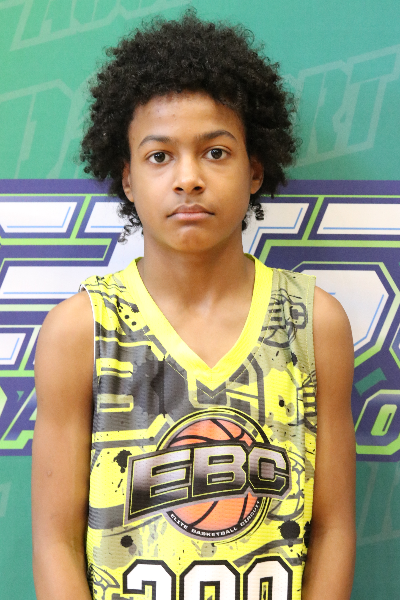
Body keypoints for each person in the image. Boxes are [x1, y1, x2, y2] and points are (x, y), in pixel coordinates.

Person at [32, 10, 356, 600]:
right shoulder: (81, 329)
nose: (188, 178)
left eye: (215, 152)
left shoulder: (314, 322)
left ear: (254, 169)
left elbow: (333, 529)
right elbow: (55, 542)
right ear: (127, 178)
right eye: (159, 156)